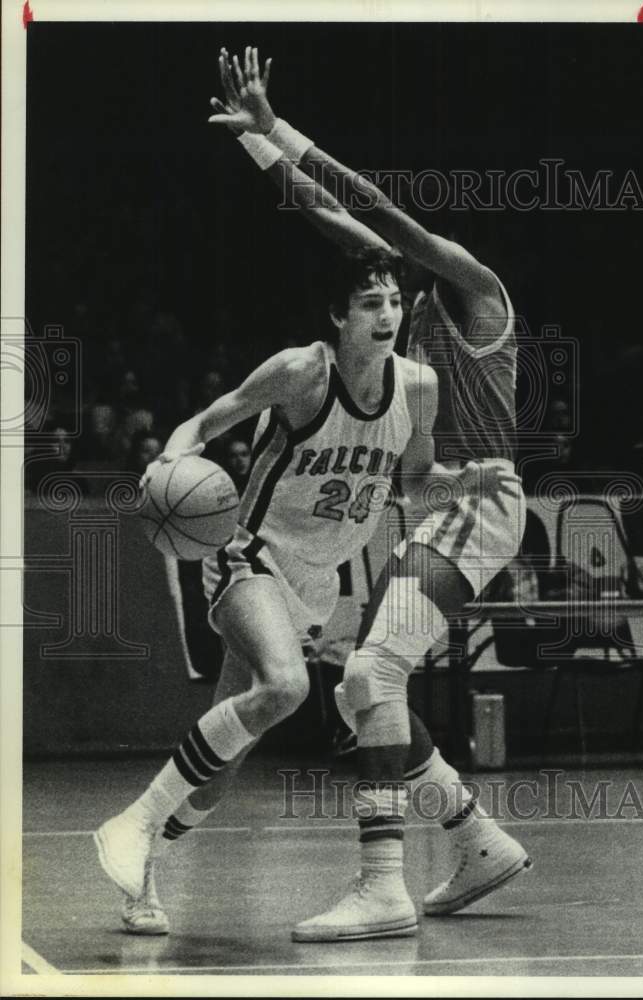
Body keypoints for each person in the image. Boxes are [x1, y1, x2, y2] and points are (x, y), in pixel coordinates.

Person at [93, 92, 496, 939]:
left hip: (317, 585)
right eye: (371, 303)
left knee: (227, 753)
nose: (387, 313)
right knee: (287, 687)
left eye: (393, 301)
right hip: (251, 557)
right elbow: (206, 421)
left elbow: (412, 484)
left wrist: (458, 485)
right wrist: (170, 459)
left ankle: (144, 875)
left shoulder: (416, 384)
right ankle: (130, 823)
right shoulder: (300, 371)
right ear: (338, 316)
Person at [207, 47, 532, 941]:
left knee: (369, 671)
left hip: (478, 499)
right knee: (361, 692)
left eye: (387, 283)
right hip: (430, 499)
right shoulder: (395, 298)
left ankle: (383, 885)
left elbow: (377, 210)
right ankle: (478, 839)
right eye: (371, 292)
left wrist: (283, 127)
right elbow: (330, 220)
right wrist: (257, 148)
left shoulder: (474, 289)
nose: (378, 294)